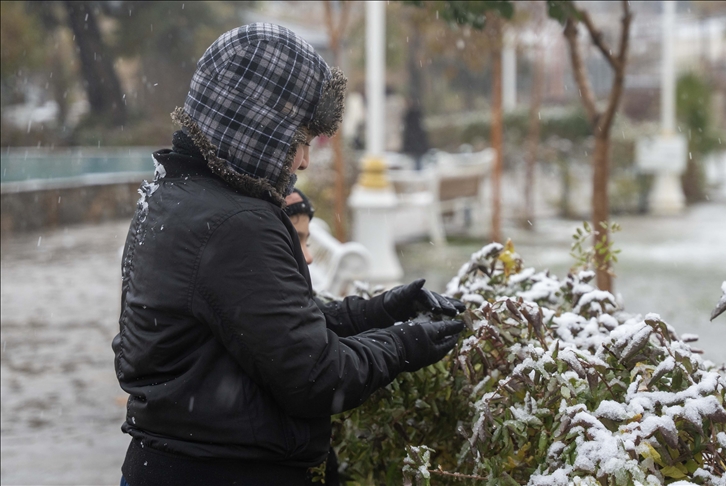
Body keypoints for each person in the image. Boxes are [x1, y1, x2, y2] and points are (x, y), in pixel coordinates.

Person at [112, 23, 466, 486]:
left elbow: (272, 331)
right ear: (257, 127)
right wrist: (405, 344)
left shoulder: (174, 195)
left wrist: (383, 310)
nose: (303, 161)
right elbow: (317, 377)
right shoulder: (235, 223)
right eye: (300, 140)